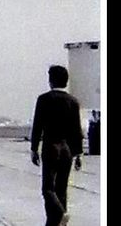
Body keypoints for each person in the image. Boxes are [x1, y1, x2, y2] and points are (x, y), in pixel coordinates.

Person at [30, 64, 84, 226]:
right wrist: (78, 154)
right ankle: (56, 223)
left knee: (47, 189)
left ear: (51, 80)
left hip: (51, 146)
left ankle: (61, 214)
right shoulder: (73, 101)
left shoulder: (44, 99)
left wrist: (34, 148)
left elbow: (37, 125)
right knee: (61, 190)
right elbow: (77, 129)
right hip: (67, 149)